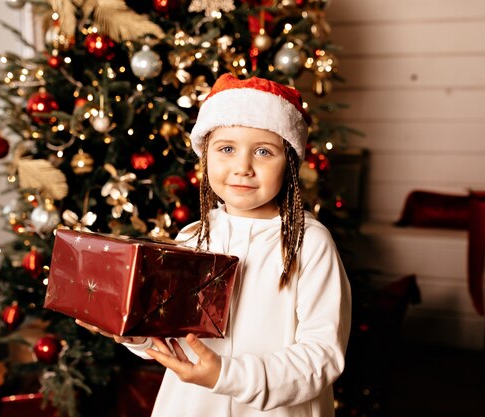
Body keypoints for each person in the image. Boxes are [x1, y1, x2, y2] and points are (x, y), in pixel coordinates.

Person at [77, 73, 351, 417]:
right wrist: (130, 329)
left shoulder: (309, 243)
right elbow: (172, 340)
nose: (243, 167)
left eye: (264, 151)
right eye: (226, 149)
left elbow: (321, 357)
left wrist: (226, 374)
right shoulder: (193, 237)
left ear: (290, 165)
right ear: (206, 157)